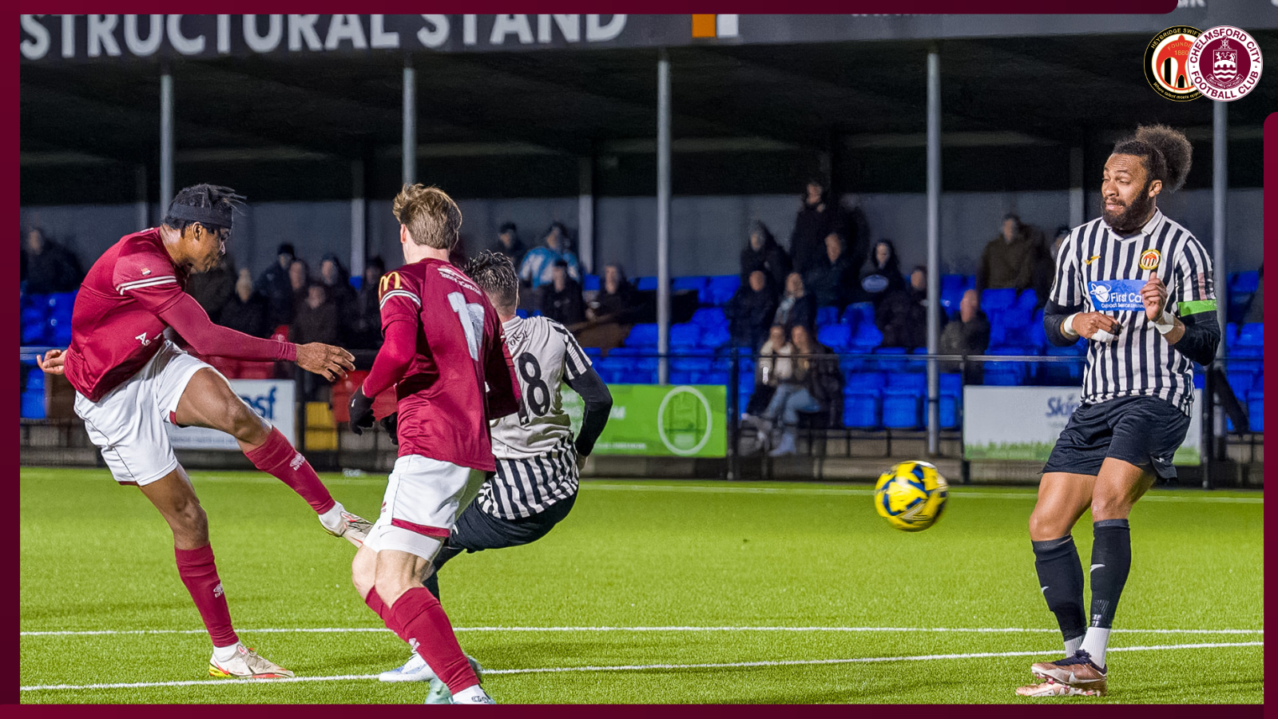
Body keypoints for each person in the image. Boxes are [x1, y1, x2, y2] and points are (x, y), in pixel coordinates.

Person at [35, 184, 368, 681]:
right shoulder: (141, 261)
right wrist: (297, 352)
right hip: (114, 402)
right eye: (221, 238)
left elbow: (104, 309)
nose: (224, 249)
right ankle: (228, 654)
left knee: (240, 417)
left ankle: (337, 518)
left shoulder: (172, 257)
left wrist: (83, 347)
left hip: (151, 361)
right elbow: (206, 337)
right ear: (194, 231)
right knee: (190, 520)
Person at [1017, 125, 1219, 698]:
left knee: (1108, 499)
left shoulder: (1184, 251)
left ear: (1153, 188)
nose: (1110, 187)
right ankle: (1074, 660)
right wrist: (1076, 323)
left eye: (1123, 180)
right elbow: (1054, 319)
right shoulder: (1078, 244)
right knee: (1046, 524)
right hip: (1095, 402)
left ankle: (1095, 660)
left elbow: (1206, 344)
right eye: (1106, 177)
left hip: (1158, 397)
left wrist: (1165, 322)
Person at [374, 251, 614, 701]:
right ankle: (435, 658)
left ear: (476, 300)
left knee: (414, 549)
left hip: (513, 499)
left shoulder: (474, 347)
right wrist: (580, 452)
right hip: (562, 486)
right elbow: (600, 400)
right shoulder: (553, 332)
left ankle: (433, 658)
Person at [346, 184, 521, 705]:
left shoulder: (402, 279)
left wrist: (366, 394)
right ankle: (445, 659)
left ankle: (466, 691)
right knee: (367, 571)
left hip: (430, 446)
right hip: (467, 452)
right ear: (453, 236)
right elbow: (506, 394)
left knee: (395, 579)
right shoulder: (477, 296)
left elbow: (397, 351)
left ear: (404, 235)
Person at [755, 324, 841, 457]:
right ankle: (775, 435)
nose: (798, 339)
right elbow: (765, 376)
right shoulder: (777, 352)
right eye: (795, 336)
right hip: (791, 390)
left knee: (786, 397)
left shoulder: (819, 352)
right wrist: (772, 354)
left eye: (800, 335)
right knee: (785, 397)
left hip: (818, 394)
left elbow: (822, 380)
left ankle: (767, 422)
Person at [789, 179, 842, 276]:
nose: (814, 195)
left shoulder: (829, 211)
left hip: (821, 263)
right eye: (811, 193)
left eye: (816, 191)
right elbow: (797, 237)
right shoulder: (802, 215)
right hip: (803, 262)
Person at [938, 289, 991, 385]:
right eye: (962, 301)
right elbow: (942, 346)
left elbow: (965, 345)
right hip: (949, 372)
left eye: (966, 302)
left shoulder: (981, 327)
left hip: (972, 376)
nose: (962, 304)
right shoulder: (952, 324)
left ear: (975, 305)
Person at [976, 213, 1037, 292]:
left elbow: (1025, 275)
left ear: (1017, 229)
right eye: (1007, 226)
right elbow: (982, 270)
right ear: (1002, 228)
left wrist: (1014, 287)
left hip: (1014, 291)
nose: (1010, 230)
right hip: (992, 290)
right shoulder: (991, 247)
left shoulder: (1025, 248)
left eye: (1012, 227)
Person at [746, 324, 793, 417]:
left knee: (774, 390)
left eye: (779, 336)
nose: (776, 339)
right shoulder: (766, 349)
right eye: (773, 336)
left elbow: (786, 372)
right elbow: (764, 368)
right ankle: (750, 415)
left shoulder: (788, 350)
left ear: (783, 336)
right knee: (761, 388)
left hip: (783, 381)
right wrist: (766, 379)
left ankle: (767, 417)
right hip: (770, 381)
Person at [877, 266, 928, 350]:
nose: (918, 281)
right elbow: (881, 317)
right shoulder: (898, 298)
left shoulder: (933, 303)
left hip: (920, 343)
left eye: (921, 278)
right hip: (895, 342)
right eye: (915, 277)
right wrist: (889, 330)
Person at [727, 270, 779, 351]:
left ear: (763, 280)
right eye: (754, 278)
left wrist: (747, 316)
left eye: (759, 278)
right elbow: (730, 309)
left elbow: (762, 316)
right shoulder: (742, 293)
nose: (756, 281)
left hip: (760, 332)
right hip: (741, 331)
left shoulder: (769, 296)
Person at [519, 221, 580, 290]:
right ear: (546, 237)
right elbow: (523, 276)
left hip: (557, 295)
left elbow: (574, 279)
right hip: (536, 294)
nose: (554, 238)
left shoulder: (568, 257)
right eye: (552, 234)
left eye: (558, 235)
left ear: (564, 239)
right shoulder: (534, 254)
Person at [804, 232, 857, 309]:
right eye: (829, 246)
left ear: (841, 248)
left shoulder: (847, 267)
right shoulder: (816, 266)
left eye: (836, 247)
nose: (832, 251)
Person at [23, 227, 84, 294]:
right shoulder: (30, 259)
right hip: (39, 296)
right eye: (32, 239)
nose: (35, 241)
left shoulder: (56, 254)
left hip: (58, 294)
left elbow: (69, 275)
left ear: (42, 239)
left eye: (37, 238)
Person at [218, 268, 270, 339]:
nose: (244, 291)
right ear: (237, 289)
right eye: (242, 288)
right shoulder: (229, 305)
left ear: (251, 289)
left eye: (247, 288)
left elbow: (261, 328)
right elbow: (225, 326)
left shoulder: (260, 305)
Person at [254, 243, 296, 329]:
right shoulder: (270, 274)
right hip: (271, 317)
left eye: (287, 256)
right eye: (282, 256)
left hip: (289, 317)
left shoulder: (295, 273)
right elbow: (259, 288)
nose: (285, 259)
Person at [739, 220, 791, 289]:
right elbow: (745, 280)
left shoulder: (775, 254)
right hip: (752, 293)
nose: (756, 239)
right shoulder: (747, 255)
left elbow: (780, 280)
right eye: (753, 236)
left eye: (759, 235)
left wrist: (763, 277)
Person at [349, 256, 387, 350]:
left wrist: (367, 323)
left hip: (376, 339)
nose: (372, 273)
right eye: (369, 270)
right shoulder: (359, 291)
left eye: (375, 270)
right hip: (359, 337)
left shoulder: (383, 292)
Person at [187, 252, 237, 320]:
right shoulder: (196, 269)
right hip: (192, 311)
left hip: (212, 314)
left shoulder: (224, 273)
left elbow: (224, 294)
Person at [537, 259, 587, 326]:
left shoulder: (574, 288)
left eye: (559, 270)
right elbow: (546, 312)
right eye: (555, 270)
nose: (557, 274)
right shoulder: (548, 292)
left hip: (574, 327)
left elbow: (578, 310)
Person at [858, 240, 905, 306]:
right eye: (878, 253)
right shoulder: (868, 277)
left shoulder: (896, 278)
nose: (881, 256)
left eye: (884, 254)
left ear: (891, 255)